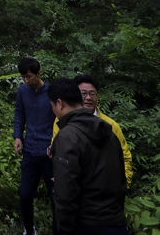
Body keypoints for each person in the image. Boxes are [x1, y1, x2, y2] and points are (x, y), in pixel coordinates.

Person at [48, 78, 127, 235]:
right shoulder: (109, 132)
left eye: (51, 106)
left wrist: (64, 228)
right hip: (115, 222)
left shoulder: (66, 136)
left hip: (85, 223)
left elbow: (65, 193)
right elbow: (121, 179)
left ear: (59, 103)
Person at [51, 75, 133, 187]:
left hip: (107, 187)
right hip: (76, 186)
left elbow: (125, 157)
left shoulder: (110, 125)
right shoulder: (60, 121)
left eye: (92, 94)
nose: (88, 98)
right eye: (83, 93)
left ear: (97, 97)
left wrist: (123, 185)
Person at [13, 57, 57, 235]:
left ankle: (58, 230)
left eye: (29, 76)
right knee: (25, 195)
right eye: (23, 77)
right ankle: (29, 230)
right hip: (30, 150)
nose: (26, 80)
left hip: (49, 153)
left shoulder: (52, 92)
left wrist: (56, 142)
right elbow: (19, 115)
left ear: (39, 73)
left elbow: (60, 119)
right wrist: (17, 136)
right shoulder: (22, 91)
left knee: (56, 196)